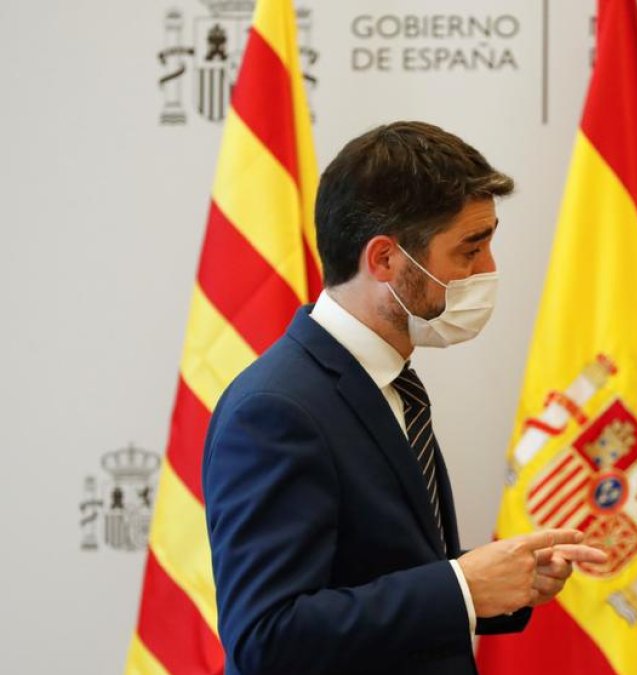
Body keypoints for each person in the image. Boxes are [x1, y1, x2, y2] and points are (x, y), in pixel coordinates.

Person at [203, 121, 606, 675]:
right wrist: (462, 587)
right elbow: (267, 637)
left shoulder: (389, 381)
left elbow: (381, 570)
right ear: (385, 260)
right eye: (470, 248)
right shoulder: (276, 410)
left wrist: (501, 580)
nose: (488, 270)